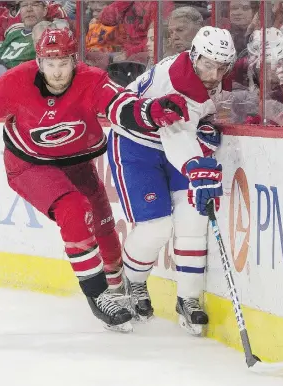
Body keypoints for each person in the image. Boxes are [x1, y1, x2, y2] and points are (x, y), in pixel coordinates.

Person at [0, 28, 189, 332]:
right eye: (50, 64)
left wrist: (152, 111)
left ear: (74, 60)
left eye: (63, 63)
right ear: (38, 61)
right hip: (29, 166)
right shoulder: (16, 81)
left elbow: (122, 105)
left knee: (103, 226)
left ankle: (117, 289)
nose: (58, 71)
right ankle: (99, 296)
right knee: (73, 209)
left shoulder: (92, 79)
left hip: (77, 164)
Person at [107, 27, 236, 335]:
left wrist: (205, 126)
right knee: (156, 226)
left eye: (222, 67)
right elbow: (175, 134)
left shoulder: (203, 75)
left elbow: (193, 123)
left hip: (174, 145)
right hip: (136, 146)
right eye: (208, 64)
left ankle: (188, 298)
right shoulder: (176, 81)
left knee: (193, 220)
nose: (214, 73)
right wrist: (195, 165)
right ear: (194, 55)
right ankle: (132, 283)